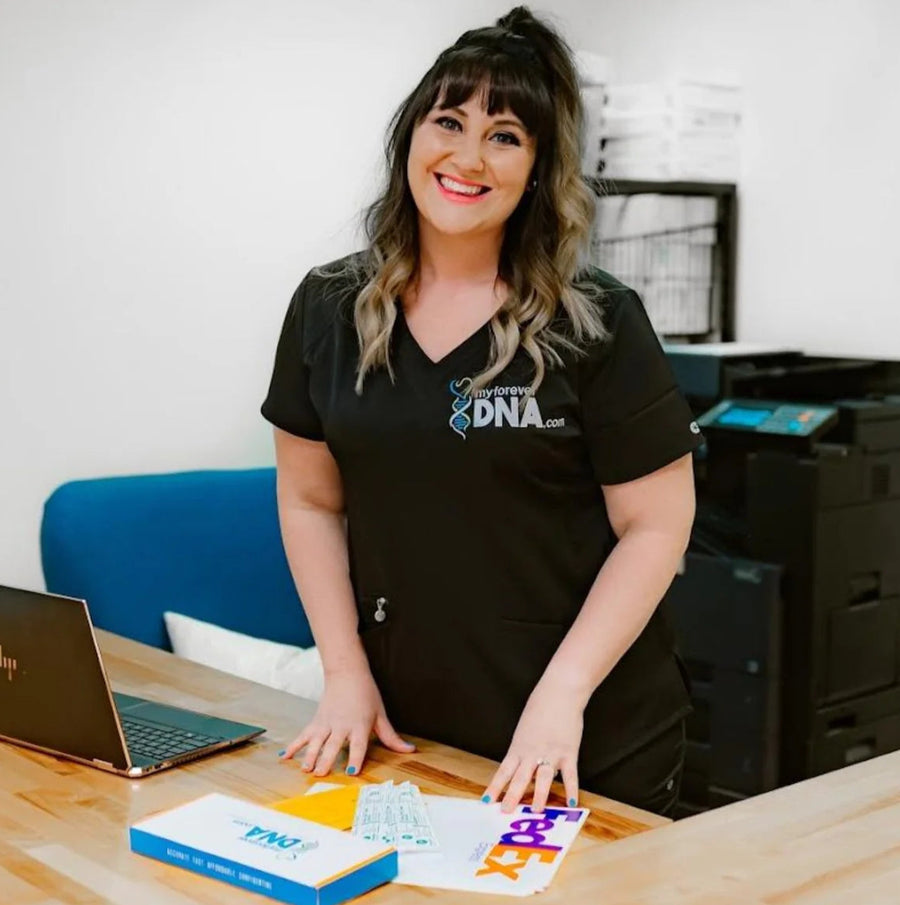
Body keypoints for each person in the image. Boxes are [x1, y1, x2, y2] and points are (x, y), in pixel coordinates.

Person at [261, 5, 703, 817]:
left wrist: (561, 695)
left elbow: (658, 527)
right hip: (409, 722)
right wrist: (344, 672)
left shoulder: (596, 321)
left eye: (504, 135)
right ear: (410, 141)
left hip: (582, 730)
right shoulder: (328, 306)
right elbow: (309, 498)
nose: (467, 156)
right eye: (449, 122)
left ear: (537, 168)